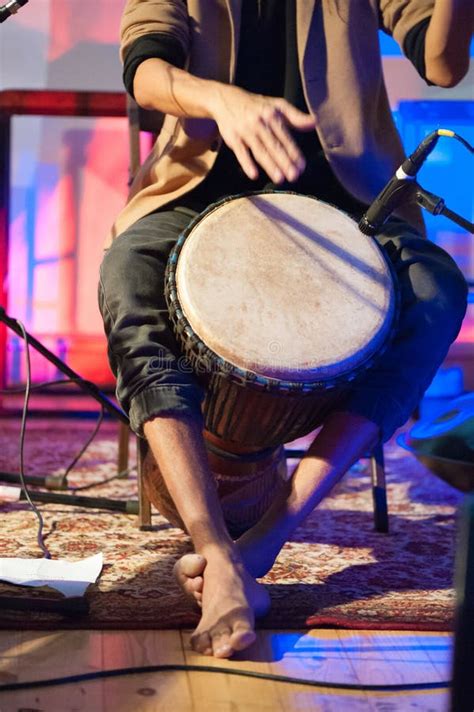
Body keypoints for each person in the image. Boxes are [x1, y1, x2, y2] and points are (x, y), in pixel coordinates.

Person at [99, 0, 472, 658]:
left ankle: (268, 536)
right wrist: (222, 101)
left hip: (352, 201)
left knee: (436, 291)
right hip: (199, 188)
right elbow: (146, 69)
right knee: (127, 271)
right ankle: (215, 551)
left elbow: (443, 64)